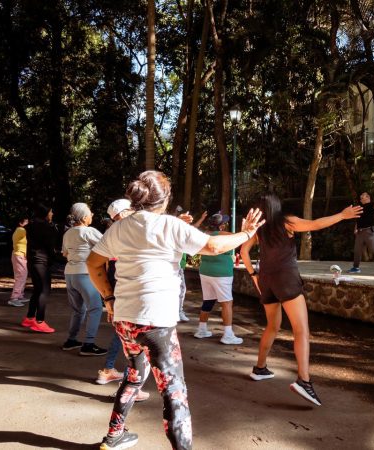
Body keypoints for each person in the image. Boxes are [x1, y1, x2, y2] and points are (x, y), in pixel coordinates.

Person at [86, 170, 264, 450]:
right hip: (155, 323)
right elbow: (214, 245)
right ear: (165, 199)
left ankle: (114, 435)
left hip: (125, 321)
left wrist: (108, 298)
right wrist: (247, 233)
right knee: (174, 390)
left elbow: (93, 263)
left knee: (135, 374)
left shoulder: (119, 228)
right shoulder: (169, 225)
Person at [240, 194, 362, 407]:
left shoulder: (259, 228)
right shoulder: (286, 221)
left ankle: (260, 368)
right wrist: (342, 216)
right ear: (276, 206)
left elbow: (243, 251)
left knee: (272, 326)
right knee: (301, 331)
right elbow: (315, 225)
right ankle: (304, 381)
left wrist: (253, 275)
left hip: (266, 280)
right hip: (286, 279)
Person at [96, 198, 149, 403]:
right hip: (130, 290)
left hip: (118, 288)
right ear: (125, 212)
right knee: (135, 338)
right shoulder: (130, 231)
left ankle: (109, 371)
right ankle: (129, 386)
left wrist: (109, 298)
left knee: (123, 334)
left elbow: (101, 266)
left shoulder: (113, 233)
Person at [61, 203, 107, 355]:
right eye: (90, 213)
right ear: (84, 217)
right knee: (95, 308)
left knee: (78, 310)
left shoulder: (68, 233)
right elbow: (108, 246)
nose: (92, 215)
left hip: (70, 274)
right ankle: (89, 344)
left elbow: (65, 253)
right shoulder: (89, 231)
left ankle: (71, 340)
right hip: (85, 274)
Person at [194, 213, 243, 345]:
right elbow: (242, 238)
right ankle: (228, 335)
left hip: (205, 271)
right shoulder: (225, 235)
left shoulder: (205, 234)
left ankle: (201, 330)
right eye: (225, 223)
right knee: (227, 303)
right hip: (221, 273)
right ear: (221, 226)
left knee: (208, 300)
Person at [22, 203, 57, 333]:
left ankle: (30, 317)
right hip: (42, 261)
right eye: (50, 212)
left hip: (32, 260)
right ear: (45, 213)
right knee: (44, 290)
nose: (52, 214)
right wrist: (53, 259)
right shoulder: (47, 227)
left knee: (37, 289)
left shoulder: (30, 226)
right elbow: (50, 246)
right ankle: (39, 321)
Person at [178, 210, 207, 323]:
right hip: (176, 266)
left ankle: (178, 311)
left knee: (180, 289)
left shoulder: (185, 232)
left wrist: (202, 218)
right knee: (181, 289)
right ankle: (178, 312)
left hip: (179, 266)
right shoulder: (177, 232)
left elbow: (194, 227)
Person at [8, 216, 30, 307]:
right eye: (26, 222)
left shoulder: (20, 230)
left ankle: (20, 295)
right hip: (19, 255)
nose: (28, 223)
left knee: (23, 276)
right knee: (21, 276)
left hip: (20, 255)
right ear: (20, 223)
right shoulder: (21, 230)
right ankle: (14, 298)